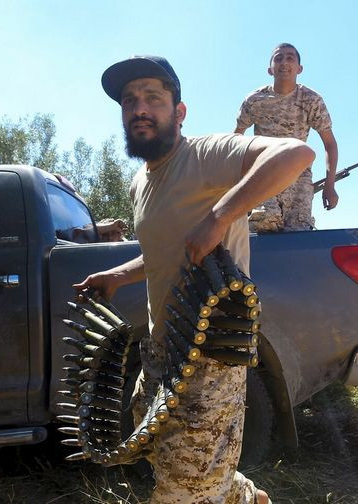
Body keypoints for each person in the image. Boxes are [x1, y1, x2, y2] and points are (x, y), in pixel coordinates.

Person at [73, 55, 315, 503]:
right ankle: (242, 495)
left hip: (211, 353)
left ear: (179, 112)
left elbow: (297, 154)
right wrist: (116, 276)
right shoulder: (140, 182)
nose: (139, 108)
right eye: (129, 101)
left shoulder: (205, 154)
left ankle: (225, 492)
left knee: (184, 488)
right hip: (163, 347)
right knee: (162, 450)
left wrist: (220, 216)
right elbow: (166, 252)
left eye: (153, 98)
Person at [234, 43, 338, 232]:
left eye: (290, 58)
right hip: (263, 176)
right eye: (278, 58)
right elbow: (235, 139)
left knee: (297, 236)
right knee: (264, 223)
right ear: (270, 69)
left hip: (299, 180)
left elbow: (329, 144)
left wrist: (329, 185)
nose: (284, 62)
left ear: (299, 68)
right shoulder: (254, 100)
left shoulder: (311, 100)